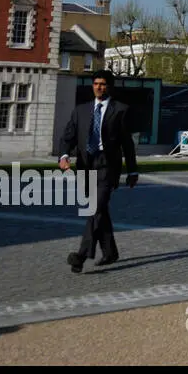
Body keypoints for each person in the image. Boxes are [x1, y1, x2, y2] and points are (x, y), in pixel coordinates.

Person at [56, 69, 137, 273]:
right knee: (99, 211)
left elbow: (127, 144)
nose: (99, 87)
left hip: (107, 165)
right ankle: (110, 252)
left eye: (102, 84)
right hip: (86, 165)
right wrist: (64, 156)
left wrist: (132, 171)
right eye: (95, 84)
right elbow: (68, 137)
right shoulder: (81, 110)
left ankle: (81, 256)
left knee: (95, 209)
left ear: (109, 86)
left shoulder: (121, 110)